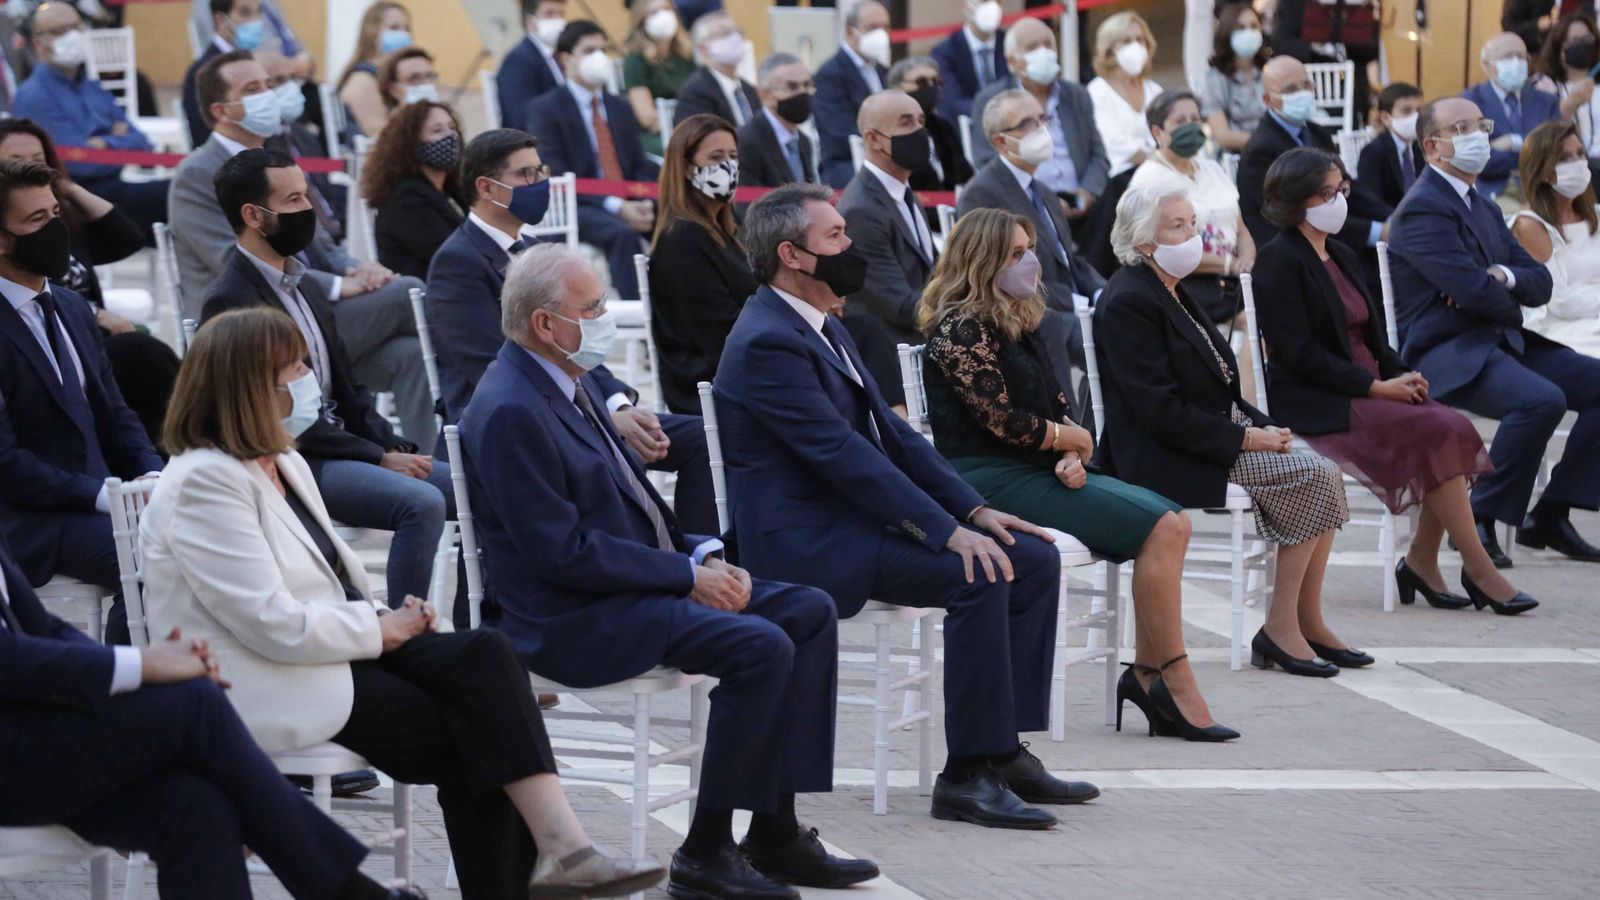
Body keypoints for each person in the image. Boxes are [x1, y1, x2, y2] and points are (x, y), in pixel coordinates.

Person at [142, 306, 665, 899]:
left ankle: (568, 851)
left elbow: (329, 581)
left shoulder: (281, 459)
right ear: (248, 388)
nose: (307, 378)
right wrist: (381, 631)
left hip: (331, 648)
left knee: (485, 655)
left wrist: (392, 623)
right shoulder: (203, 481)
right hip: (265, 676)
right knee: (479, 738)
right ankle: (562, 858)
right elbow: (269, 623)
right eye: (292, 367)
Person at [457, 241, 879, 900]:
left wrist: (702, 554)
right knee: (760, 645)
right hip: (569, 615)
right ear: (545, 323)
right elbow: (559, 553)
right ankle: (706, 852)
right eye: (591, 308)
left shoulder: (566, 378)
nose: (604, 320)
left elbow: (637, 504)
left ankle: (774, 830)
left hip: (630, 586)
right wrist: (684, 578)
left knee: (808, 610)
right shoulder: (513, 405)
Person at [717, 183, 1099, 828]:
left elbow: (893, 436)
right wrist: (944, 532)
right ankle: (965, 776)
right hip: (808, 537)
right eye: (835, 236)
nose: (850, 245)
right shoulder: (767, 340)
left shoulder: (819, 322)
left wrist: (974, 511)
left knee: (1031, 556)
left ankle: (1001, 748)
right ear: (792, 255)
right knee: (981, 572)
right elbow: (845, 455)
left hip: (853, 519)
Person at [920, 207, 1236, 741]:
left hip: (1037, 466)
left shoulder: (1020, 318)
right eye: (1015, 254)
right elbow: (1003, 422)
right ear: (982, 260)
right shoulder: (959, 328)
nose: (1030, 262)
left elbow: (1059, 406)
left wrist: (1072, 451)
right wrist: (1070, 440)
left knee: (1175, 522)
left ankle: (1149, 673)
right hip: (985, 478)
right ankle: (1169, 678)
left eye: (1030, 250)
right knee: (1163, 525)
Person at [0, 535, 428, 900]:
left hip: (30, 746)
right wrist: (142, 664)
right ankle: (343, 889)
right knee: (194, 702)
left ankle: (341, 887)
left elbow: (38, 625)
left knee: (196, 802)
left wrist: (138, 668)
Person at [1256, 147, 1536, 615]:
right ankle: (1478, 568)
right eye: (1326, 193)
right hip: (1320, 395)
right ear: (1296, 200)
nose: (1339, 199)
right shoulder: (1278, 260)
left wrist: (1400, 372)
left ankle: (1422, 560)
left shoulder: (1342, 253)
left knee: (1451, 425)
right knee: (1437, 431)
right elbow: (1300, 356)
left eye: (1341, 189)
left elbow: (1377, 339)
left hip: (1372, 385)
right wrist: (1375, 388)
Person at [1095, 184, 1356, 676]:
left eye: (1192, 222)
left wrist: (1264, 426)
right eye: (1178, 225)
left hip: (1209, 430)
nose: (1193, 234)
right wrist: (1246, 438)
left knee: (1323, 471)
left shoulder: (1170, 287)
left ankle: (1306, 620)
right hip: (1163, 449)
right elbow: (1160, 411)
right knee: (1312, 475)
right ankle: (1282, 628)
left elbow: (1221, 390)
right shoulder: (1129, 299)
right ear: (1144, 241)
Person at [423, 128, 720, 538]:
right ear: (486, 188)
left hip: (580, 408)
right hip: (511, 425)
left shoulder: (530, 248)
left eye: (541, 171)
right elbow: (494, 367)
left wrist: (616, 405)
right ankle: (650, 572)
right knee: (615, 457)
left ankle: (695, 557)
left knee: (705, 438)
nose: (540, 184)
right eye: (526, 175)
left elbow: (575, 346)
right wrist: (605, 418)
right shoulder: (458, 262)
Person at [200, 148, 451, 604]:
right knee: (423, 503)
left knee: (472, 486)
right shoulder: (231, 301)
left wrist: (388, 444)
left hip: (343, 445)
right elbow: (268, 417)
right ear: (254, 216)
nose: (307, 210)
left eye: (306, 196)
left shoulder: (307, 283)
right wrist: (374, 458)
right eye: (293, 200)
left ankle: (478, 616)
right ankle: (403, 634)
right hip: (294, 458)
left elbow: (348, 387)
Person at [170, 50, 436, 453]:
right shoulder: (196, 173)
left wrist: (359, 271)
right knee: (409, 292)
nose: (270, 95)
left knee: (410, 354)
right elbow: (234, 261)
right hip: (256, 328)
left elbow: (323, 243)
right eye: (254, 89)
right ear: (221, 110)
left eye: (270, 85)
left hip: (314, 315)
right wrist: (333, 288)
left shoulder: (277, 160)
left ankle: (422, 461)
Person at [1388, 97, 1600, 565]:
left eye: (1480, 125)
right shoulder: (1422, 209)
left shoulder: (1480, 204)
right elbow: (1472, 291)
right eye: (1461, 128)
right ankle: (1478, 518)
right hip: (1450, 350)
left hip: (1503, 339)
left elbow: (1537, 282)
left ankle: (1552, 512)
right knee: (1541, 400)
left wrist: (1500, 276)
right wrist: (1489, 286)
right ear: (1433, 146)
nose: (1477, 136)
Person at [0, 157, 162, 642]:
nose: (54, 228)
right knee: (157, 561)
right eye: (36, 220)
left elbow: (116, 413)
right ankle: (124, 692)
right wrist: (102, 499)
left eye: (54, 214)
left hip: (103, 501)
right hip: (30, 521)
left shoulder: (70, 306)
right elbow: (4, 462)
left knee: (206, 540)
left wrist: (151, 473)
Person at [0, 118, 180, 451]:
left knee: (138, 369)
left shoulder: (56, 219)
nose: (28, 167)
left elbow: (126, 239)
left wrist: (63, 188)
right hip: (53, 338)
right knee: (137, 353)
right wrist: (96, 313)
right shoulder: (16, 233)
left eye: (38, 160)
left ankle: (166, 459)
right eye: (16, 162)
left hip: (83, 331)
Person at [959, 87, 1104, 383]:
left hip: (1070, 306)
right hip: (1032, 312)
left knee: (1133, 321)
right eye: (1026, 124)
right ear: (1000, 141)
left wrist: (1104, 292)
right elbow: (999, 274)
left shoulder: (1045, 192)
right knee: (1113, 340)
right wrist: (1075, 303)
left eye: (1042, 119)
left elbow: (1068, 259)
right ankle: (1081, 429)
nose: (1040, 129)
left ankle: (1101, 428)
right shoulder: (981, 193)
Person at [11, 2, 168, 241]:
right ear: (38, 42)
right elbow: (80, 165)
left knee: (186, 195)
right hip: (79, 201)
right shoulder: (35, 96)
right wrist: (114, 138)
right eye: (59, 31)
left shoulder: (90, 86)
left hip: (116, 188)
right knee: (179, 193)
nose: (72, 36)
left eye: (76, 27)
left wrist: (102, 144)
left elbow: (141, 142)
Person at [523, 21, 658, 299]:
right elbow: (556, 171)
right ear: (566, 59)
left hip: (630, 199)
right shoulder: (546, 110)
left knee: (677, 223)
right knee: (621, 234)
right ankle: (642, 321)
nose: (599, 57)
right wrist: (618, 207)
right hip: (579, 205)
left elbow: (638, 164)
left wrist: (643, 199)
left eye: (603, 49)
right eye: (589, 50)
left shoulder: (618, 106)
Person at [649, 113, 756, 414]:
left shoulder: (727, 228)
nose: (728, 165)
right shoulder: (684, 238)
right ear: (685, 167)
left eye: (733, 156)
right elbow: (718, 331)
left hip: (743, 364)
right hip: (710, 386)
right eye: (716, 156)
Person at [1130, 89, 1256, 324]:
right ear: (1158, 132)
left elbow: (1240, 228)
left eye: (1195, 119)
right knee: (1256, 327)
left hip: (1235, 277)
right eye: (1180, 121)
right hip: (1187, 283)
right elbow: (1160, 248)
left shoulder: (1212, 169)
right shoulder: (1149, 180)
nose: (1191, 126)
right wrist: (1229, 264)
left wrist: (1247, 261)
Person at [1239, 56, 1388, 252]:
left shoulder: (1317, 132)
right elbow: (1305, 215)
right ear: (1268, 99)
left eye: (1307, 84)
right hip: (1293, 250)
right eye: (1290, 90)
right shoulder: (1261, 151)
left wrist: (1392, 217)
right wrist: (1377, 232)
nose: (1303, 93)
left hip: (1332, 238)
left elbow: (1346, 186)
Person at [969, 17, 1109, 216]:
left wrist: (1088, 192)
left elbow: (1098, 155)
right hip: (1027, 208)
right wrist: (1040, 201)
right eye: (1032, 47)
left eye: (1048, 44)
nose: (1044, 52)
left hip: (1083, 206)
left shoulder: (1077, 95)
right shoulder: (993, 100)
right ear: (1012, 62)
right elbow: (986, 161)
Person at [836, 90, 941, 346]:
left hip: (926, 336)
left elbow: (933, 274)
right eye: (906, 123)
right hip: (897, 353)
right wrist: (974, 309)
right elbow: (900, 306)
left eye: (920, 121)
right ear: (873, 139)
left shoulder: (903, 192)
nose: (919, 131)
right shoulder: (861, 211)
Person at [1512, 120, 1600, 357]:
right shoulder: (1530, 225)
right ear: (1541, 171)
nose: (1578, 164)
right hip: (1559, 330)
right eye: (1564, 158)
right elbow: (1560, 302)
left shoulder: (1596, 216)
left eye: (1580, 154)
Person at [365, 99, 465, 280]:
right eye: (437, 131)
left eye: (452, 128)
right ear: (411, 144)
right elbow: (453, 255)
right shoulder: (406, 199)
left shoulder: (450, 188)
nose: (450, 137)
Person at [1463, 31, 1562, 200]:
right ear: (1487, 65)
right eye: (1508, 56)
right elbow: (1477, 160)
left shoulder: (1546, 101)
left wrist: (1510, 142)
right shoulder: (1469, 102)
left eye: (1522, 56)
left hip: (1542, 191)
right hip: (1493, 193)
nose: (1516, 62)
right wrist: (1534, 151)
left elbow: (1557, 150)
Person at [815, 0, 890, 186]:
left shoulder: (882, 71)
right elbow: (839, 133)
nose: (881, 34)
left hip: (883, 158)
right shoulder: (830, 73)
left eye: (885, 27)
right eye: (872, 27)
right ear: (850, 31)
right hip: (846, 165)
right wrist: (887, 144)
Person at [1086, 11, 1163, 178]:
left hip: (1160, 173)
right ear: (1109, 49)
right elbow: (1112, 143)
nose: (1136, 46)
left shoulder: (1154, 90)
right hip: (1120, 180)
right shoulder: (1097, 91)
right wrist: (1158, 161)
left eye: (1140, 40)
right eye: (1127, 41)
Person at [182, 0, 268, 147]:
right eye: (245, 13)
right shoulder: (203, 71)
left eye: (258, 12)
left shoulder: (255, 64)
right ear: (220, 19)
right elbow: (205, 136)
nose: (255, 21)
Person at [619, 0, 694, 157]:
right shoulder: (635, 61)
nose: (663, 16)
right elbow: (648, 118)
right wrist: (683, 133)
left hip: (692, 126)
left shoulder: (687, 56)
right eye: (653, 12)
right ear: (641, 20)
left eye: (666, 9)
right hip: (659, 134)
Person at [889, 56, 974, 192]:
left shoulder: (943, 128)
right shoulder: (890, 133)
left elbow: (965, 175)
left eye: (935, 81)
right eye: (921, 82)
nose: (931, 88)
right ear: (897, 89)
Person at [738, 52, 820, 187]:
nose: (803, 93)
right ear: (765, 95)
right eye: (792, 87)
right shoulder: (746, 142)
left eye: (807, 85)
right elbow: (747, 202)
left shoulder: (804, 142)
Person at [1200, 1, 1270, 153]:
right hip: (1237, 159)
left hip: (1276, 155)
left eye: (1254, 26)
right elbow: (1223, 136)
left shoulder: (1269, 72)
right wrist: (1268, 141)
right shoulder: (1214, 79)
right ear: (1227, 32)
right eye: (1241, 28)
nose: (1249, 33)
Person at [336, 1, 412, 138]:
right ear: (373, 33)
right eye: (394, 28)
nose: (403, 35)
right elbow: (379, 136)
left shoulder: (398, 76)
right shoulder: (363, 79)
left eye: (407, 29)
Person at [673, 12, 760, 130]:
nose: (735, 38)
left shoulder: (749, 90)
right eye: (725, 33)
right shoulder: (696, 92)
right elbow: (700, 139)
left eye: (738, 32)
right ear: (704, 48)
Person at [1533, 13, 1600, 161]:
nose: (1582, 45)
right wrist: (1571, 103)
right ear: (1559, 46)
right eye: (1574, 40)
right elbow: (1539, 133)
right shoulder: (1544, 84)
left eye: (1587, 39)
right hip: (1566, 166)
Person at [930, 0, 1007, 123]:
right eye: (983, 2)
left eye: (996, 1)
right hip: (967, 127)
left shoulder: (1009, 44)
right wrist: (994, 115)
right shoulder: (945, 51)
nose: (990, 7)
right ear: (965, 7)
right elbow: (952, 101)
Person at [497, 0, 568, 132]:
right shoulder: (518, 60)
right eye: (549, 14)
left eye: (561, 14)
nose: (557, 20)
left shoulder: (562, 55)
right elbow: (521, 118)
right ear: (529, 21)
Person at [1357, 82, 1426, 209]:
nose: (1415, 117)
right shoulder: (1373, 152)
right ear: (1385, 117)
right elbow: (1371, 201)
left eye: (1419, 110)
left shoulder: (1420, 147)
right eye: (1406, 111)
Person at [377, 46, 439, 115]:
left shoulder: (446, 123)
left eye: (430, 76)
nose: (427, 83)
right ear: (394, 90)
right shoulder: (391, 125)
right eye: (415, 79)